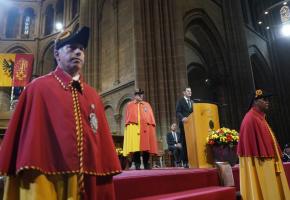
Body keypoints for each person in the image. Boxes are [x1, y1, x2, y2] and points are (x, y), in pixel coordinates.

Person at [0, 26, 121, 200]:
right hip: (45, 176)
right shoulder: (38, 88)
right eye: (71, 48)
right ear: (57, 55)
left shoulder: (92, 94)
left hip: (87, 178)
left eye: (81, 49)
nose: (78, 52)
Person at [237, 89, 290, 200]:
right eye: (264, 99)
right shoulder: (251, 118)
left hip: (269, 162)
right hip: (261, 164)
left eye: (268, 99)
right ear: (255, 101)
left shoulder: (259, 117)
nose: (267, 102)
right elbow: (251, 149)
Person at [122, 89, 158, 170]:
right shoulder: (130, 105)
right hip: (135, 127)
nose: (141, 96)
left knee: (146, 147)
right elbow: (128, 118)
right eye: (139, 95)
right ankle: (137, 164)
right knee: (136, 147)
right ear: (135, 96)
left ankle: (146, 163)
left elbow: (150, 117)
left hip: (145, 128)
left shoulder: (147, 104)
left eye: (142, 94)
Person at [176, 87, 193, 168]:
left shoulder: (192, 102)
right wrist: (182, 118)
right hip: (184, 125)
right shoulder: (180, 101)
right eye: (188, 91)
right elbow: (178, 112)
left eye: (190, 91)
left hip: (192, 125)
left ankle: (193, 160)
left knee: (192, 143)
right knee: (185, 143)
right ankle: (185, 162)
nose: (190, 92)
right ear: (184, 92)